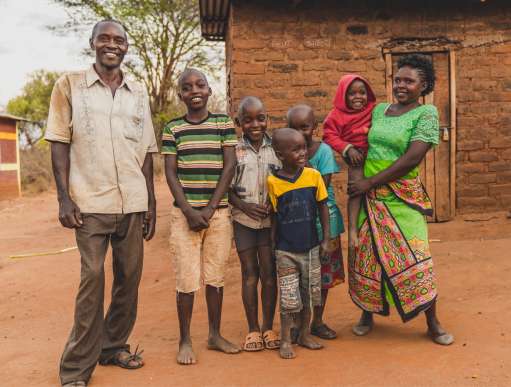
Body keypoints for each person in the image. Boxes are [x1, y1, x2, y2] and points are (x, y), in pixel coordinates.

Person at [45, 20, 157, 387]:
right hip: (89, 201)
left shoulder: (138, 91)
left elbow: (147, 151)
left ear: (127, 47)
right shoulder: (69, 86)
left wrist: (151, 202)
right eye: (105, 38)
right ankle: (76, 369)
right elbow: (59, 141)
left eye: (119, 40)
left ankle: (113, 346)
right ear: (92, 43)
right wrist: (63, 198)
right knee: (92, 278)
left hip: (132, 201)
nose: (112, 44)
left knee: (129, 279)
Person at [347, 54, 454, 345]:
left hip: (402, 198)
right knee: (366, 257)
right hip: (369, 199)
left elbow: (412, 158)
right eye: (397, 80)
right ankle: (367, 314)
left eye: (409, 81)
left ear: (424, 85)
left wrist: (369, 182)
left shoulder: (426, 114)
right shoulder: (379, 110)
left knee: (417, 256)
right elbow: (356, 139)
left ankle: (433, 323)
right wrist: (353, 166)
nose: (401, 85)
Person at [162, 68, 241, 365]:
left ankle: (215, 335)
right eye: (187, 87)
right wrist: (189, 211)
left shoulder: (223, 123)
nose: (194, 90)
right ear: (181, 94)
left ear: (209, 90)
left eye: (200, 85)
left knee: (215, 277)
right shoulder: (173, 129)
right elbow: (170, 172)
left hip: (217, 215)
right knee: (186, 279)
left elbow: (229, 166)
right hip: (184, 217)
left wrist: (209, 209)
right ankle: (185, 340)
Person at [268, 128, 331, 359]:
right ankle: (285, 339)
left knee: (308, 295)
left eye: (304, 147)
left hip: (312, 248)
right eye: (296, 149)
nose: (303, 152)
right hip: (285, 251)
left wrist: (326, 239)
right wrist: (272, 245)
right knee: (288, 298)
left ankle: (304, 334)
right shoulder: (273, 182)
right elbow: (274, 216)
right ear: (280, 154)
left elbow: (323, 207)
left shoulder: (313, 176)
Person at [287, 104, 345, 340]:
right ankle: (296, 325)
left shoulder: (324, 153)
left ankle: (317, 321)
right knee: (297, 276)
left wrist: (302, 163)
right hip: (296, 224)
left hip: (324, 224)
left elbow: (319, 189)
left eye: (305, 127)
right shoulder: (284, 152)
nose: (299, 133)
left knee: (323, 276)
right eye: (293, 128)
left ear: (315, 127)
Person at [229, 96, 281, 351]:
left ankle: (269, 327)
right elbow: (225, 189)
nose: (255, 124)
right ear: (239, 122)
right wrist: (244, 206)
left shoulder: (277, 148)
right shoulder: (234, 150)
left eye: (260, 118)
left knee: (269, 274)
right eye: (247, 120)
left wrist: (276, 202)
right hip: (244, 222)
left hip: (271, 222)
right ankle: (252, 329)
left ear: (267, 119)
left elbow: (286, 179)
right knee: (250, 274)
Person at [323, 74, 376, 258]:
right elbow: (329, 135)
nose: (358, 97)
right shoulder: (336, 115)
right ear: (343, 96)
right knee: (355, 189)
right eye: (352, 93)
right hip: (357, 158)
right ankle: (353, 229)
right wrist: (347, 148)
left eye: (362, 92)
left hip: (376, 155)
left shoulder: (373, 109)